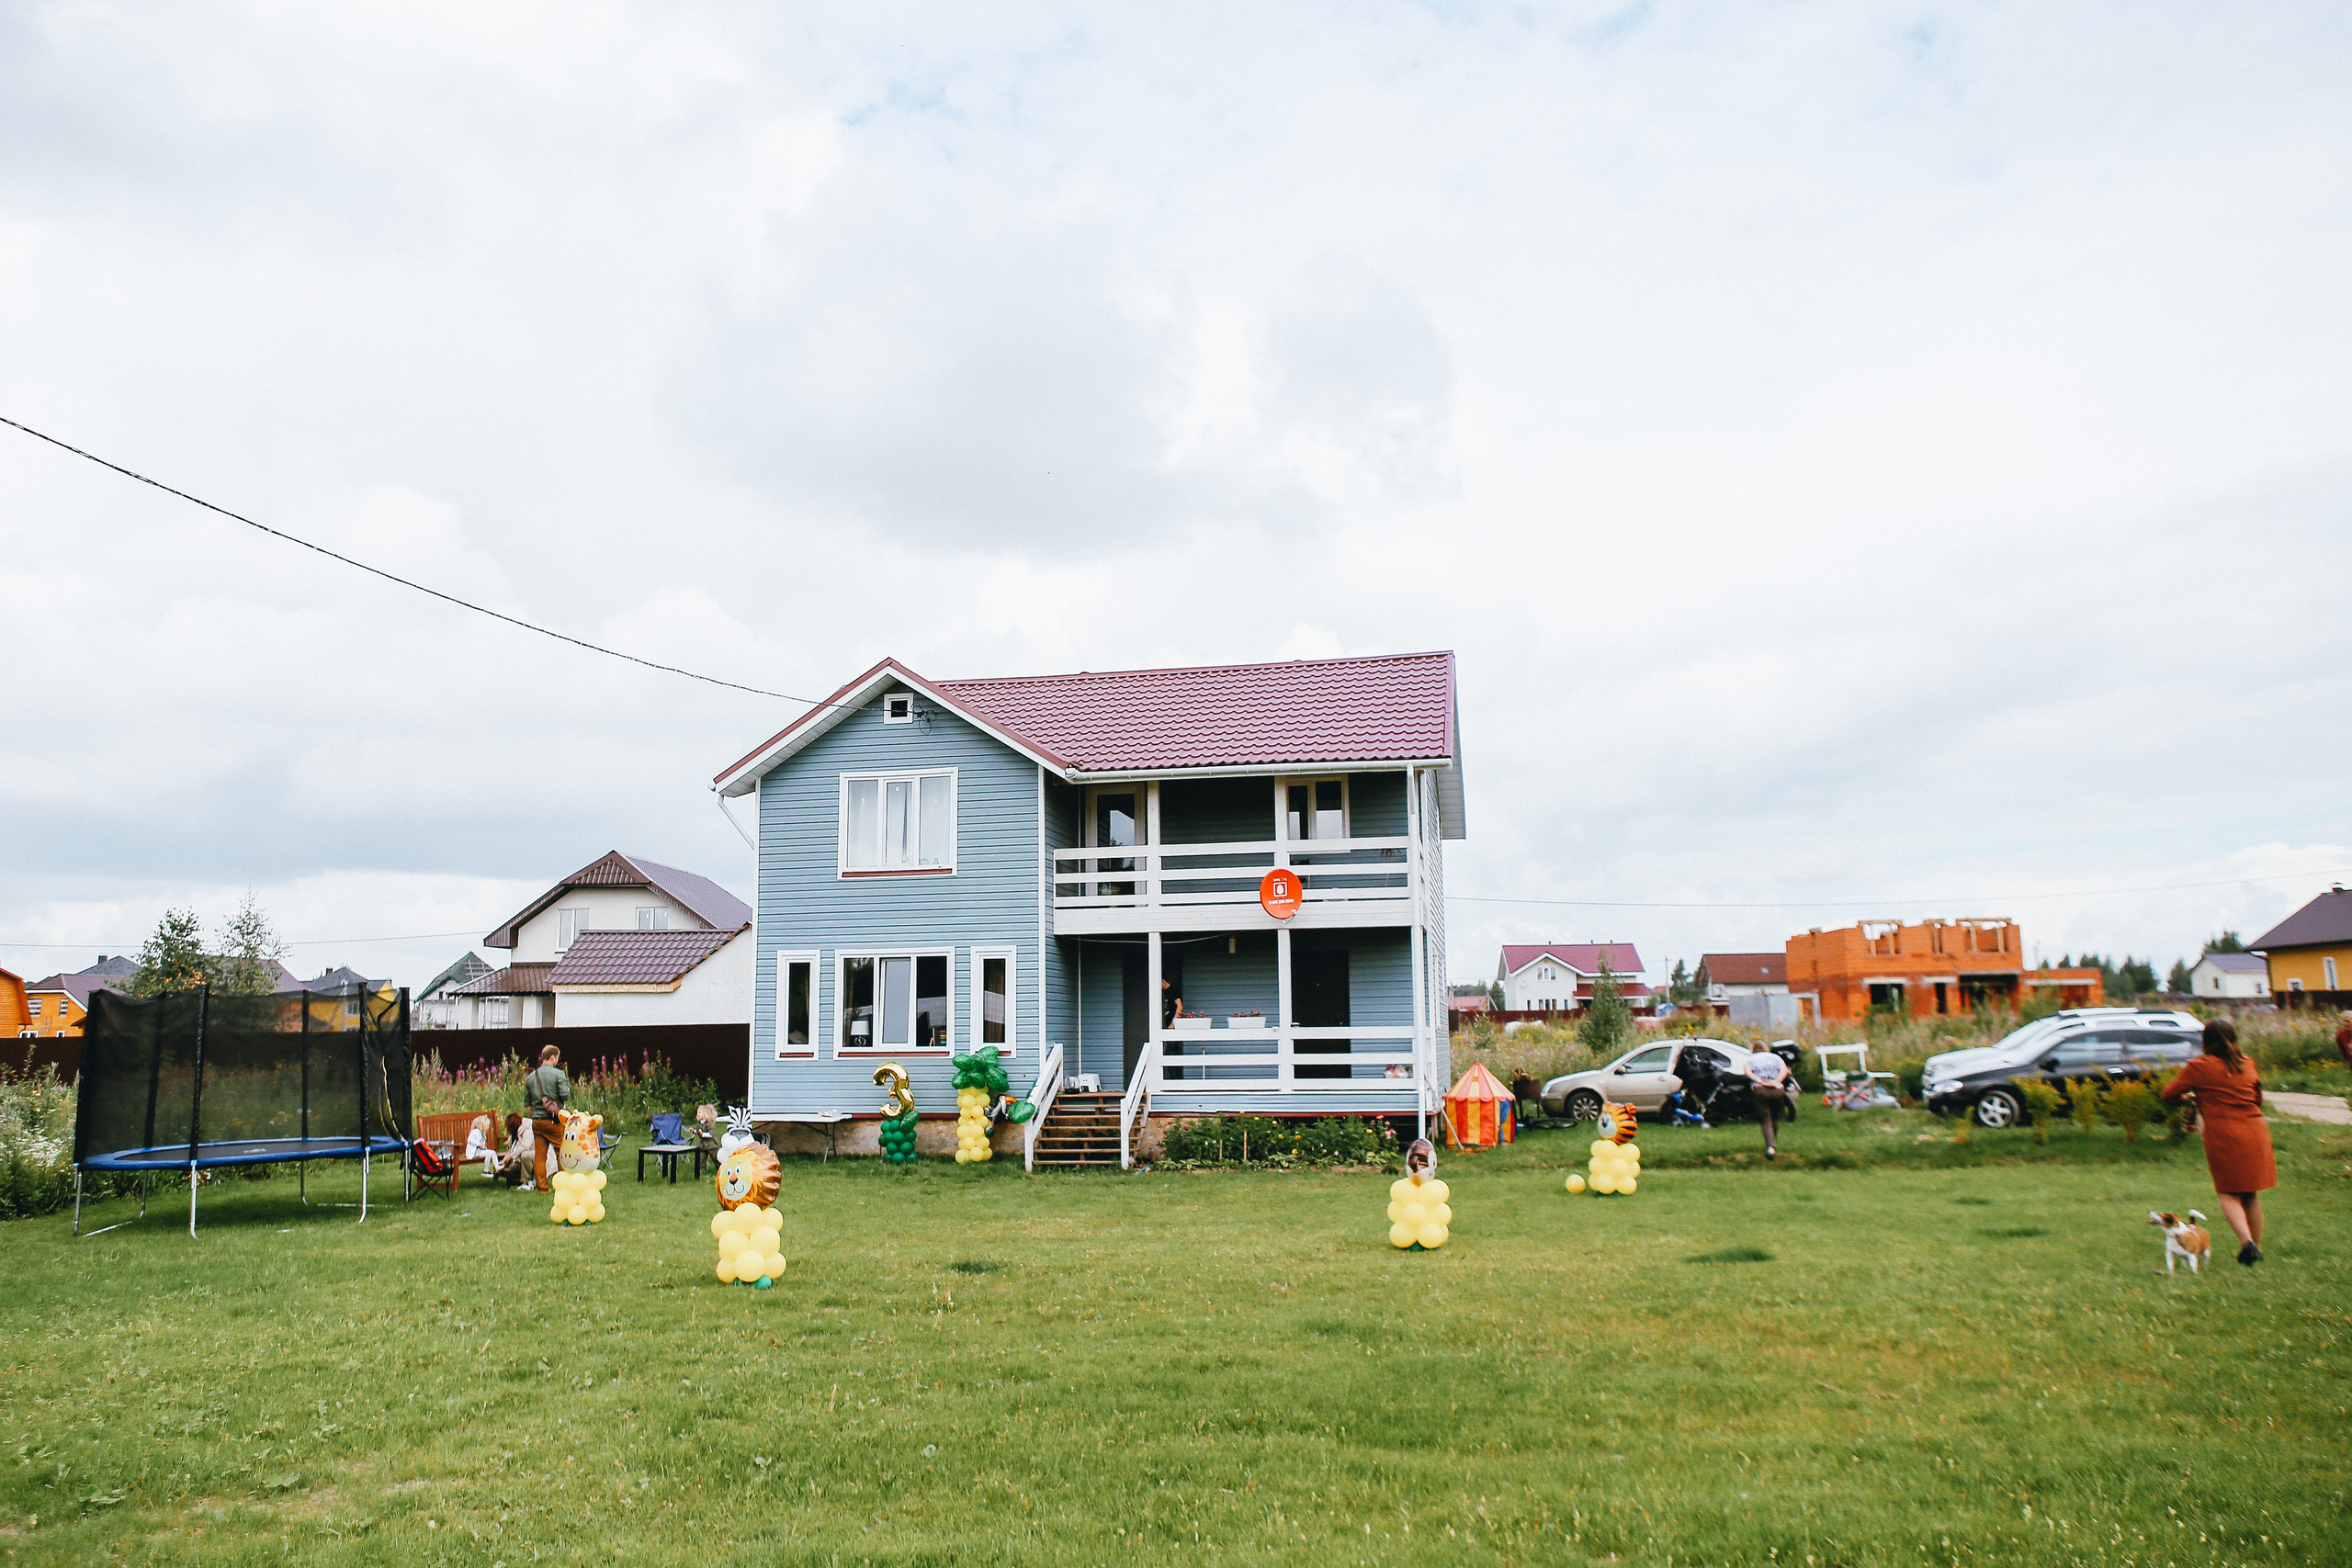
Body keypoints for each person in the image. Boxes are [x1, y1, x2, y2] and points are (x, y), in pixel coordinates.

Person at [2162, 1018, 2276, 1265]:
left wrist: (2191, 1098)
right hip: (2255, 1130)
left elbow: (2168, 1093)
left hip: (2225, 1134)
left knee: (2227, 1192)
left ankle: (2247, 1244)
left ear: (2206, 1042)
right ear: (2234, 1039)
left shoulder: (2200, 1066)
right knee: (2250, 1194)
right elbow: (2257, 1098)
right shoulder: (2248, 1064)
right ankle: (2255, 1248)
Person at [523, 1044, 571, 1192]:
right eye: (557, 1058)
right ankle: (563, 1187)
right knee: (561, 1153)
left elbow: (527, 1103)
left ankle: (543, 1188)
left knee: (540, 1157)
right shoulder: (559, 1074)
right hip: (554, 1121)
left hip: (537, 1122)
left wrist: (536, 1116)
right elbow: (565, 1096)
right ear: (553, 1057)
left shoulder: (531, 1078)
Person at [1745, 1046, 1792, 1159]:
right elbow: (1784, 1070)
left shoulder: (1751, 1059)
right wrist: (1776, 1081)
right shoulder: (1776, 1057)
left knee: (1765, 1119)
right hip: (1777, 1090)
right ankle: (1772, 1144)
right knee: (1775, 1117)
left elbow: (1747, 1072)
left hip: (1760, 1090)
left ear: (1753, 1050)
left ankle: (1770, 1148)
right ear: (1765, 1049)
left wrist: (1759, 1080)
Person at [2336, 1010, 2352, 1074]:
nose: (2345, 1023)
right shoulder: (2341, 1035)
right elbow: (2343, 1052)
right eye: (2344, 1021)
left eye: (2348, 1021)